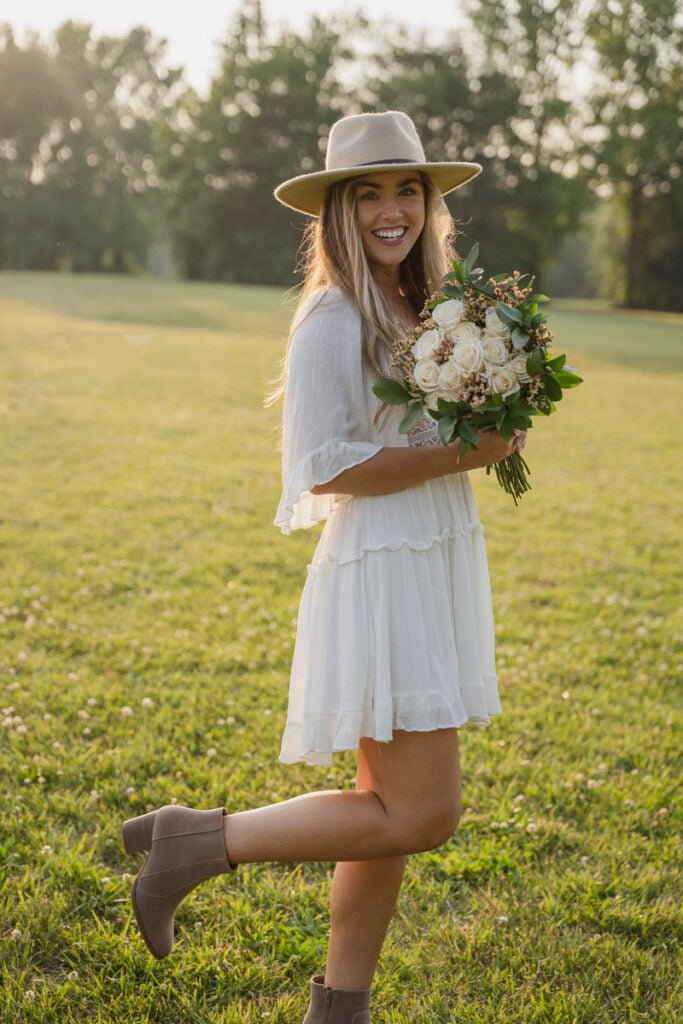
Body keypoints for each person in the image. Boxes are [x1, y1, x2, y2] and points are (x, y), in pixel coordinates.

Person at [121, 110, 525, 1024]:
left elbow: (437, 433)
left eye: (407, 190)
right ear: (336, 211)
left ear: (429, 201)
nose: (393, 210)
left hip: (431, 556)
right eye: (369, 193)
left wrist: (494, 418)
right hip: (382, 569)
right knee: (422, 815)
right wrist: (465, 450)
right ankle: (196, 843)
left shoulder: (430, 306)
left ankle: (341, 1010)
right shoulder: (333, 316)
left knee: (383, 812)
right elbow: (324, 467)